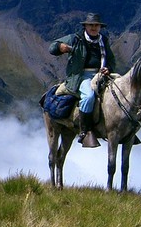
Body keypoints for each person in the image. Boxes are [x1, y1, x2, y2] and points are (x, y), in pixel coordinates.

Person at [49, 12, 115, 148]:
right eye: (91, 25)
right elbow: (52, 47)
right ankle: (85, 131)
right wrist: (61, 47)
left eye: (96, 25)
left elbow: (111, 59)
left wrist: (108, 68)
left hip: (101, 74)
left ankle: (122, 126)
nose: (94, 28)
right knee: (89, 96)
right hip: (82, 76)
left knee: (120, 91)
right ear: (85, 26)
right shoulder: (76, 39)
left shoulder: (104, 40)